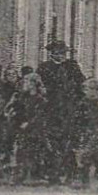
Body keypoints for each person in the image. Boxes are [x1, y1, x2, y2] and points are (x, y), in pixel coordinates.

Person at [37, 39, 85, 183]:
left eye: (63, 53)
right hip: (51, 108)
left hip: (69, 108)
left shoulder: (72, 66)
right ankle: (52, 171)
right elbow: (40, 87)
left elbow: (81, 85)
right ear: (51, 53)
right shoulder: (44, 68)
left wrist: (77, 102)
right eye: (58, 53)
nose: (61, 55)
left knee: (68, 139)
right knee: (51, 140)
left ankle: (70, 170)